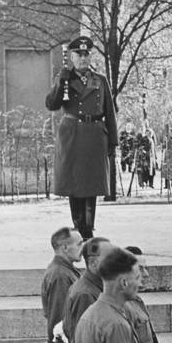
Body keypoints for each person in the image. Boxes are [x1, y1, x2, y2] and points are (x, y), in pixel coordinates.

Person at [46, 36, 118, 240]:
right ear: (72, 56)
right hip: (72, 136)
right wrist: (62, 81)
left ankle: (89, 227)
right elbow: (52, 104)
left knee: (91, 185)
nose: (83, 58)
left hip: (94, 136)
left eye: (86, 54)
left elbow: (110, 112)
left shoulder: (100, 80)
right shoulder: (65, 78)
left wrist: (113, 142)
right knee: (74, 185)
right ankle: (79, 227)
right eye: (79, 54)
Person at [41, 226, 82, 343]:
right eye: (79, 244)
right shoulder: (61, 276)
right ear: (65, 248)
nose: (83, 248)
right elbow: (60, 322)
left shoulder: (65, 270)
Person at [125, 246, 159, 343]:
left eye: (145, 268)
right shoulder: (121, 306)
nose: (146, 274)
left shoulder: (136, 300)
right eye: (140, 269)